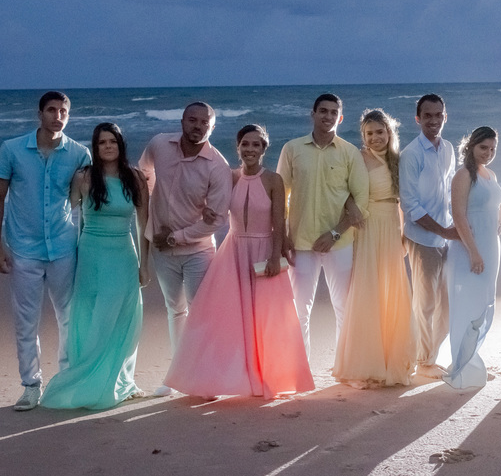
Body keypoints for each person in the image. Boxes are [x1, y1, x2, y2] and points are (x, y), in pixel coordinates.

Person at [164, 125, 314, 399]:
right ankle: (221, 378)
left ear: (264, 149)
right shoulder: (229, 177)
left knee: (267, 318)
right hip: (233, 251)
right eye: (245, 144)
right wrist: (203, 215)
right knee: (226, 317)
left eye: (256, 145)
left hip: (264, 250)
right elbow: (215, 210)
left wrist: (275, 255)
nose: (250, 150)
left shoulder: (273, 180)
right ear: (238, 148)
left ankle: (266, 377)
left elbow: (279, 221)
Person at [0, 91, 92, 410]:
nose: (57, 115)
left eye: (63, 111)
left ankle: (65, 380)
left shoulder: (79, 153)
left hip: (63, 246)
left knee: (69, 318)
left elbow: (85, 203)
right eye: (51, 110)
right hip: (23, 249)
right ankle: (31, 384)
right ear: (40, 113)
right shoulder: (12, 149)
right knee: (26, 320)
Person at [42, 123, 152, 409]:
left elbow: (143, 224)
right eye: (101, 142)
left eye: (112, 141)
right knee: (92, 316)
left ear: (120, 144)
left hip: (123, 253)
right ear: (95, 146)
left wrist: (144, 263)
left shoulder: (136, 178)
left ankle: (119, 378)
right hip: (91, 253)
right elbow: (65, 214)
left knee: (123, 318)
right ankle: (87, 376)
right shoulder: (84, 177)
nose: (107, 146)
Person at [139, 101, 233, 396]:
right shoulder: (158, 145)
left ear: (212, 127)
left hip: (198, 250)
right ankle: (176, 377)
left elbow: (216, 220)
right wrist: (153, 203)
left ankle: (205, 377)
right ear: (182, 120)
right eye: (192, 120)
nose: (197, 126)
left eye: (204, 122)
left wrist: (175, 236)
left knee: (200, 311)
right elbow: (143, 173)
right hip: (162, 249)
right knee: (175, 310)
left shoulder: (217, 165)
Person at [277, 93, 371, 361]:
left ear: (340, 118)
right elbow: (280, 195)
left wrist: (335, 233)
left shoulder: (350, 152)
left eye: (333, 112)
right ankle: (299, 368)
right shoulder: (292, 149)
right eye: (323, 111)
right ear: (313, 114)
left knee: (343, 306)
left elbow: (361, 200)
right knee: (299, 309)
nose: (328, 116)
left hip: (339, 242)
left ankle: (345, 365)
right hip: (301, 242)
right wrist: (283, 235)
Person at [333, 109, 417, 387]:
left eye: (380, 132)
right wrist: (352, 210)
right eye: (369, 133)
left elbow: (402, 201)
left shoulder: (398, 160)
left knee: (391, 289)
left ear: (389, 132)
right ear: (363, 136)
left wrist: (404, 235)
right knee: (368, 290)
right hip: (367, 228)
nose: (375, 138)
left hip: (392, 227)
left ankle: (390, 359)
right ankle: (364, 366)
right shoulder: (358, 158)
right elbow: (343, 191)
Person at [443, 127, 501, 390]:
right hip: (469, 251)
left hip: (490, 248)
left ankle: (472, 357)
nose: (488, 153)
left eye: (493, 149)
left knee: (484, 304)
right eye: (483, 148)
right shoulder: (463, 176)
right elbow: (458, 215)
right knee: (467, 305)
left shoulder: (490, 175)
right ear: (471, 146)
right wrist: (474, 251)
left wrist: (497, 228)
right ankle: (462, 365)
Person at [399, 94, 459, 378]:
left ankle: (430, 355)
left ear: (445, 117)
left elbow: (449, 194)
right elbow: (411, 206)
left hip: (447, 237)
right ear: (418, 119)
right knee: (425, 303)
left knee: (446, 305)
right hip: (423, 238)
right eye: (427, 116)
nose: (433, 121)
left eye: (438, 115)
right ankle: (424, 361)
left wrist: (456, 229)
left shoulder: (448, 148)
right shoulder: (411, 154)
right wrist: (442, 230)